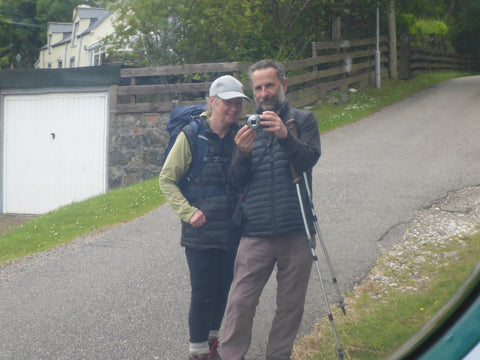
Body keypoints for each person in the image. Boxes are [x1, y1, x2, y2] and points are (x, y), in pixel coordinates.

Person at [220, 59, 321, 360]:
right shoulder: (245, 130)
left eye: (270, 85)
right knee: (239, 303)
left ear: (284, 85)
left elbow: (308, 160)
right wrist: (242, 153)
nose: (264, 93)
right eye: (259, 87)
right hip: (256, 232)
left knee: (289, 308)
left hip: (296, 230)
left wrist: (284, 136)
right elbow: (235, 182)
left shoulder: (303, 121)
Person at [159, 75, 249, 360]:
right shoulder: (190, 135)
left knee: (224, 289)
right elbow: (166, 179)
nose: (234, 108)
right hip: (200, 231)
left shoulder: (242, 135)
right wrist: (187, 213)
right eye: (228, 102)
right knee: (202, 292)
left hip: (232, 230)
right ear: (212, 102)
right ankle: (197, 352)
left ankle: (212, 345)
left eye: (238, 103)